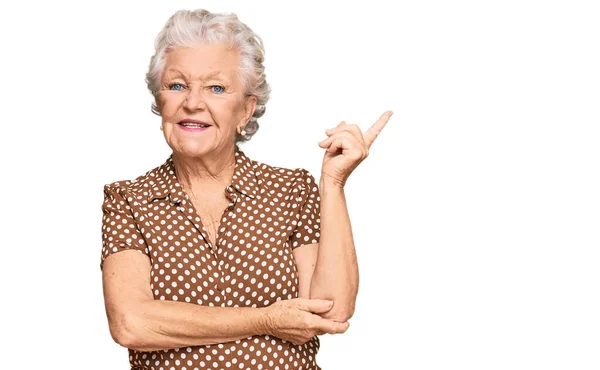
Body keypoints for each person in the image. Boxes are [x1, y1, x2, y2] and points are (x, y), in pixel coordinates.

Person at [100, 9, 392, 370]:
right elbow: (132, 324)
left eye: (216, 88)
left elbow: (330, 310)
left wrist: (333, 183)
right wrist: (265, 319)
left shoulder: (291, 191)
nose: (192, 102)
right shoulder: (129, 200)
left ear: (246, 111)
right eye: (177, 85)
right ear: (160, 101)